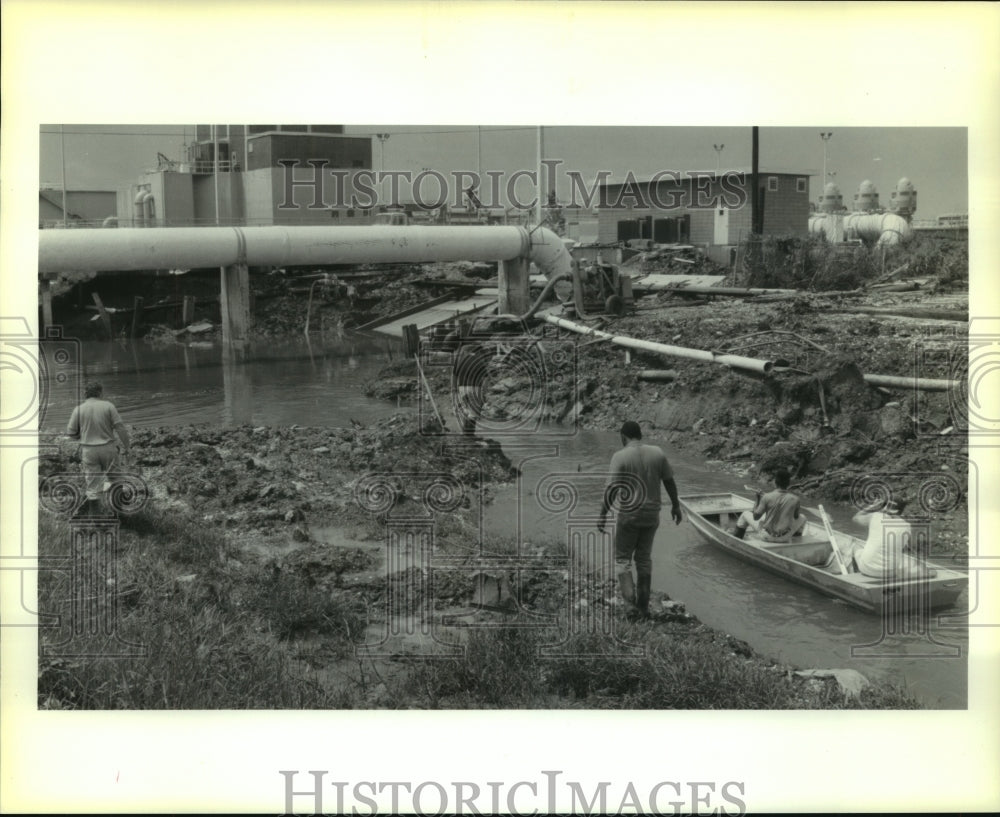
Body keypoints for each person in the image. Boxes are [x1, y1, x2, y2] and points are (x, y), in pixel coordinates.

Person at [598, 421, 682, 620]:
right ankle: (643, 607)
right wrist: (676, 506)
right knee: (644, 560)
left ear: (623, 436)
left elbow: (612, 490)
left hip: (629, 515)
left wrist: (602, 514)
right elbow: (669, 481)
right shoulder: (658, 452)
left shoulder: (620, 456)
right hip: (652, 515)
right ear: (639, 435)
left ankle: (630, 607)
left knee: (622, 560)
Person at [65, 382, 132, 515]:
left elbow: (71, 433)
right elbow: (120, 427)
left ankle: (95, 520)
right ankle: (118, 514)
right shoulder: (108, 406)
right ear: (100, 393)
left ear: (85, 394)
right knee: (116, 480)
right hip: (108, 448)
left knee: (93, 486)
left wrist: (82, 435)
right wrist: (127, 446)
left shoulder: (78, 409)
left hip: (89, 450)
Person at [852, 498, 936, 580]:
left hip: (867, 570)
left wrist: (873, 505)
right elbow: (911, 547)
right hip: (891, 572)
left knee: (855, 546)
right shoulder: (907, 526)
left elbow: (856, 518)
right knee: (933, 572)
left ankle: (855, 576)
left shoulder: (875, 516)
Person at [730, 468, 806, 542]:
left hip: (767, 537)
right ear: (788, 483)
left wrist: (758, 499)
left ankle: (736, 541)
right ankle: (795, 541)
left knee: (745, 514)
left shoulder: (767, 497)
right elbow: (796, 517)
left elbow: (755, 517)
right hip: (785, 538)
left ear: (775, 482)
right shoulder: (796, 499)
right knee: (803, 517)